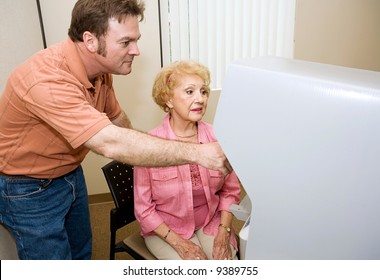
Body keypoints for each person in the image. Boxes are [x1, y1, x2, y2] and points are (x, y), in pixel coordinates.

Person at [0, 0, 231, 260]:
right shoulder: (46, 80)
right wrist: (198, 153)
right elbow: (111, 143)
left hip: (69, 172)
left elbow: (118, 122)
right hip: (27, 187)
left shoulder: (100, 71)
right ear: (91, 41)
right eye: (125, 42)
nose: (136, 50)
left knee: (80, 252)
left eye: (136, 40)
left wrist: (152, 145)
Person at [134, 60, 241, 260]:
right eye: (190, 92)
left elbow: (231, 191)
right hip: (166, 231)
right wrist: (181, 244)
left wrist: (224, 232)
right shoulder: (149, 147)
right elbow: (144, 210)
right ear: (168, 99)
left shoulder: (218, 138)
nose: (200, 99)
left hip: (210, 221)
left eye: (204, 91)